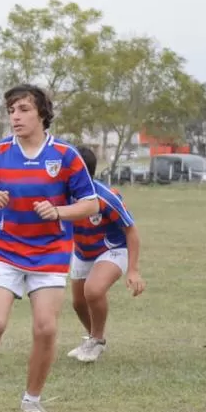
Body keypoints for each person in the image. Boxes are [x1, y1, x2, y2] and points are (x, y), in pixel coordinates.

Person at [0, 84, 99, 412]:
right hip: (3, 249)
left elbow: (91, 204)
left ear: (41, 113)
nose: (15, 117)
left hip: (49, 253)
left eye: (22, 109)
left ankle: (31, 402)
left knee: (46, 329)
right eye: (10, 111)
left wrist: (59, 211)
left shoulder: (65, 155)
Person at [66, 146, 146, 363]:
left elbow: (131, 230)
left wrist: (133, 270)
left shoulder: (105, 197)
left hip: (112, 249)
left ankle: (98, 341)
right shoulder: (62, 196)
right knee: (78, 302)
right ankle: (93, 339)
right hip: (82, 251)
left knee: (92, 291)